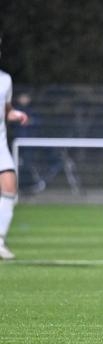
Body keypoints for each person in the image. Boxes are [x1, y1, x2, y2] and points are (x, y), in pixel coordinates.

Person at [1, 67, 29, 259]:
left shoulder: (5, 80)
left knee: (10, 187)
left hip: (0, 144)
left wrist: (16, 114)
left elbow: (6, 110)